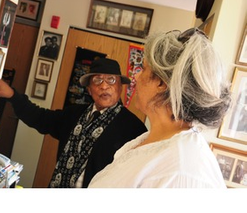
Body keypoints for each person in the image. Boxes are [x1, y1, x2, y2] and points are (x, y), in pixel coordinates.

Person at [89, 28, 232, 188]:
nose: (136, 76)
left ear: (161, 83)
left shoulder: (181, 171)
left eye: (143, 69)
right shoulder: (153, 141)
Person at [0, 58, 147, 188]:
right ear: (89, 89)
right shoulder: (73, 114)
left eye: (111, 80)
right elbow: (40, 118)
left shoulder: (134, 129)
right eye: (97, 80)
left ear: (120, 87)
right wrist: (11, 95)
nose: (104, 86)